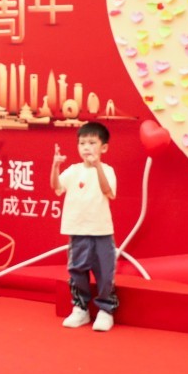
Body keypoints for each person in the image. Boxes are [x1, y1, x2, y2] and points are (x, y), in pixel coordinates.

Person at [50, 121, 118, 332]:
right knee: (77, 270)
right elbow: (56, 187)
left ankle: (106, 310)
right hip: (77, 230)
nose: (86, 147)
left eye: (92, 142)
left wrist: (97, 166)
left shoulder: (107, 170)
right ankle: (80, 308)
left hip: (101, 231)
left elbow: (108, 191)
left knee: (105, 272)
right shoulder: (73, 170)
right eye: (82, 143)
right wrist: (55, 166)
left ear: (104, 147)